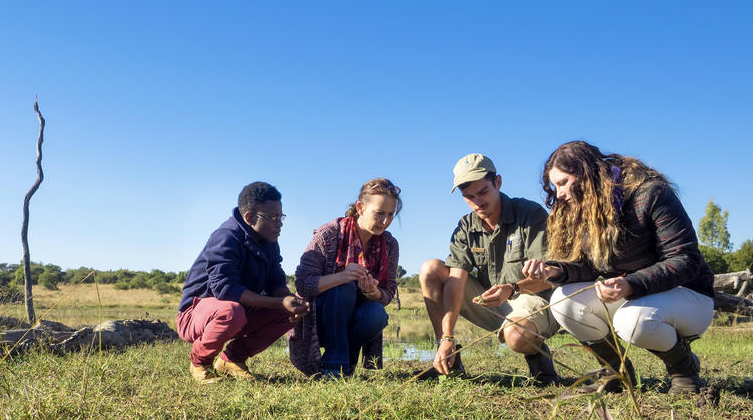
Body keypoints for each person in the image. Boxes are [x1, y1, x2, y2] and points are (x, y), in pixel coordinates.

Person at [522, 141, 715, 394]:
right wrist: (557, 271)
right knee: (562, 301)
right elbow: (593, 268)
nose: (558, 194)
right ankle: (615, 373)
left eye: (563, 182)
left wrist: (631, 284)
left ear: (587, 174)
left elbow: (685, 260)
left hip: (689, 295)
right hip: (635, 295)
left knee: (630, 321)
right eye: (554, 186)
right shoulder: (589, 209)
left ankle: (684, 370)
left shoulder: (650, 193)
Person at [418, 154, 560, 384]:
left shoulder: (530, 214)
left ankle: (540, 363)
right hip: (494, 303)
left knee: (516, 336)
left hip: (534, 299)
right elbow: (456, 280)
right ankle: (447, 354)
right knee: (430, 269)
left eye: (483, 192)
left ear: (498, 182)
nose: (477, 202)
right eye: (469, 197)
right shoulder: (466, 226)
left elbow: (550, 275)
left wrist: (512, 288)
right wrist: (447, 336)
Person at [178, 182, 309, 383]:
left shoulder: (269, 240)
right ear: (249, 217)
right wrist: (279, 302)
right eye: (273, 217)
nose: (279, 223)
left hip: (237, 309)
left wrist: (289, 300)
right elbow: (226, 290)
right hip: (195, 314)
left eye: (280, 216)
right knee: (230, 311)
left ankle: (232, 359)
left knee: (287, 311)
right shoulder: (226, 237)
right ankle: (200, 362)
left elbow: (275, 280)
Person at [289, 178, 401, 379]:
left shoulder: (390, 244)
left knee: (376, 314)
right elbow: (303, 284)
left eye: (390, 215)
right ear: (360, 207)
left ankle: (346, 363)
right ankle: (335, 366)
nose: (385, 221)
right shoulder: (329, 234)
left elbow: (388, 294)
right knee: (344, 288)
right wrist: (342, 277)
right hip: (318, 319)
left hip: (354, 319)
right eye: (379, 213)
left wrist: (373, 292)